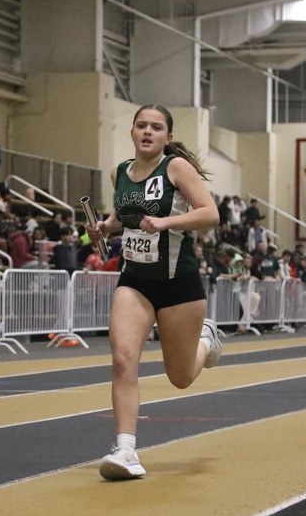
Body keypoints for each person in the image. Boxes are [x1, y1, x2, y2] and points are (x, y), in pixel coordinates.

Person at [85, 104, 222, 481]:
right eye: (141, 125)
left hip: (179, 283)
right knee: (123, 358)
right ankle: (126, 449)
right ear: (131, 132)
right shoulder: (119, 172)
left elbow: (210, 213)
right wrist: (104, 228)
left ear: (167, 137)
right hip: (135, 281)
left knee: (180, 377)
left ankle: (206, 340)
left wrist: (166, 222)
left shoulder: (176, 168)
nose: (148, 131)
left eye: (156, 127)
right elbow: (123, 216)